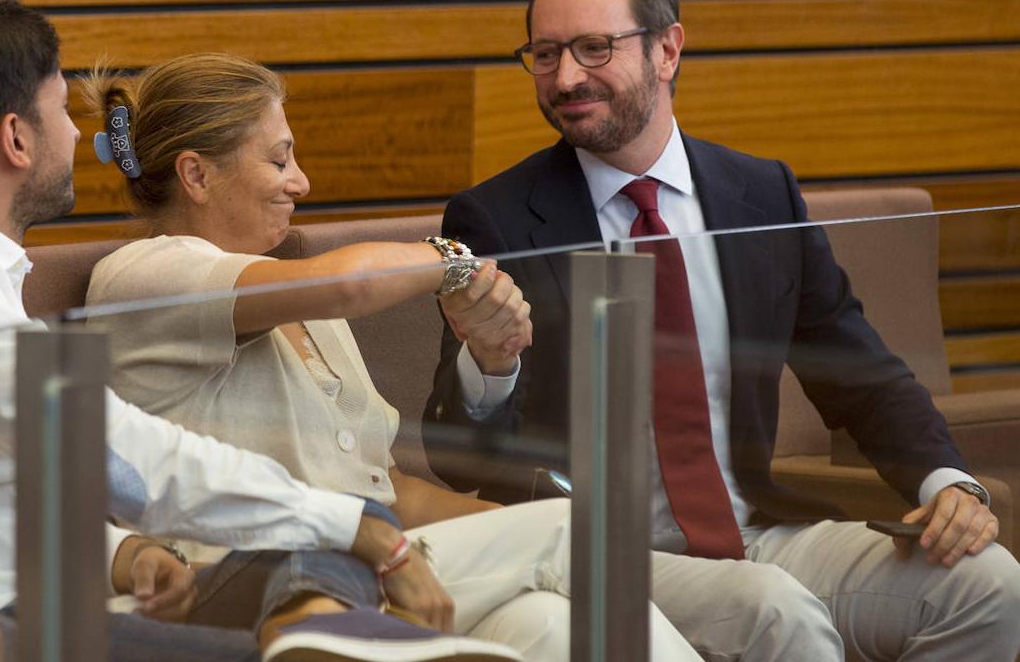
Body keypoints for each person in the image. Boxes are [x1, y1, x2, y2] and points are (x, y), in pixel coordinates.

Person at [0, 0, 526, 662]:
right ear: (16, 138)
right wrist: (352, 523)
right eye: (60, 110)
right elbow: (114, 455)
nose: (83, 133)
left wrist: (121, 551)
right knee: (334, 542)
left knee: (323, 553)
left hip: (17, 597)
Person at [424, 0, 1020, 661]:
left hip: (759, 534)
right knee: (776, 613)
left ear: (667, 50)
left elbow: (858, 375)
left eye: (592, 47)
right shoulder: (498, 219)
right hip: (596, 555)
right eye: (545, 55)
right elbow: (462, 461)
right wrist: (490, 365)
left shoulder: (760, 194)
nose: (565, 77)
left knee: (992, 586)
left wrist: (947, 482)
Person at [79, 52, 701, 662]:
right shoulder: (142, 275)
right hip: (255, 583)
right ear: (196, 175)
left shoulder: (302, 300)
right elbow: (351, 283)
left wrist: (507, 526)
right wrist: (457, 261)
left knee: (547, 618)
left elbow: (384, 486)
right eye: (280, 159)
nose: (302, 181)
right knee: (572, 537)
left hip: (377, 561)